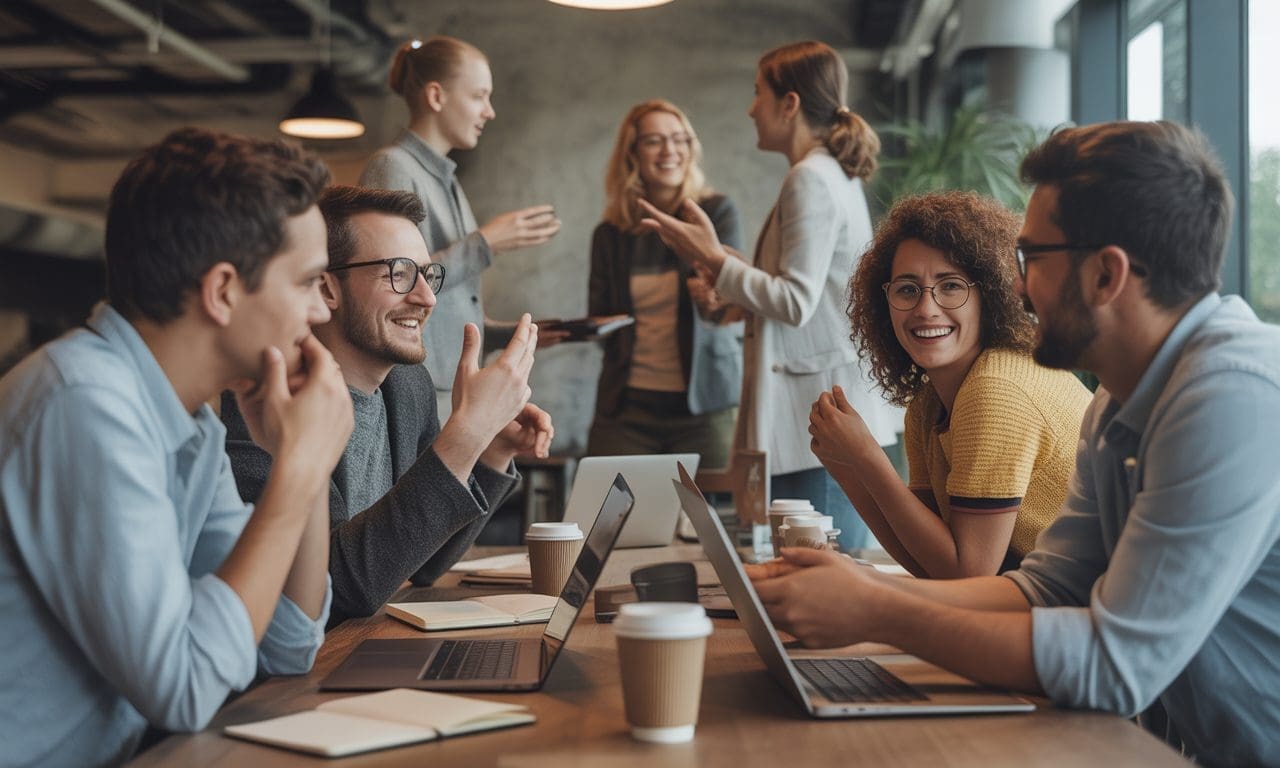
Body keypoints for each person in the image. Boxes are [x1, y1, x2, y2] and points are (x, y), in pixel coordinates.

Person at [748, 121, 1280, 765]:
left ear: (1106, 276)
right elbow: (1046, 588)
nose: (1018, 287)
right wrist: (857, 589)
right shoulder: (1120, 396)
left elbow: (1113, 665)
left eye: (1032, 260)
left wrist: (877, 613)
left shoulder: (1230, 396)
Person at [0, 128, 353, 766]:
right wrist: (297, 473)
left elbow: (287, 644)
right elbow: (184, 687)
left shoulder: (192, 420)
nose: (321, 312)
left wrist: (302, 462)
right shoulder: (86, 402)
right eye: (307, 282)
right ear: (222, 291)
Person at [221, 185, 553, 627]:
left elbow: (424, 562)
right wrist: (466, 432)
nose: (426, 297)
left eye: (427, 274)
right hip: (297, 677)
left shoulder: (406, 385)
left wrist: (491, 449)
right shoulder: (263, 404)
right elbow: (338, 588)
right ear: (326, 289)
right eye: (398, 273)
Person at [639, 41, 900, 550]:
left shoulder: (811, 179)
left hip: (812, 427)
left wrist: (715, 260)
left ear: (790, 103)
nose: (750, 108)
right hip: (815, 418)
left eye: (758, 93)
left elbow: (796, 302)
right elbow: (815, 295)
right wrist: (736, 274)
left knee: (821, 592)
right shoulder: (828, 174)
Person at [809, 192, 1091, 577]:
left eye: (951, 286)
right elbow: (928, 565)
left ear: (989, 296)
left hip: (1089, 618)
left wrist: (866, 457)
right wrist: (847, 468)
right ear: (884, 303)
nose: (926, 308)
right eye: (907, 289)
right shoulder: (928, 405)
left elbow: (968, 576)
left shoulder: (996, 389)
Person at [361, 35, 562, 422]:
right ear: (436, 96)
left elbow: (443, 300)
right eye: (479, 96)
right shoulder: (393, 167)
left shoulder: (446, 178)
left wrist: (503, 336)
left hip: (444, 380)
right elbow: (390, 281)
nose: (490, 111)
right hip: (415, 383)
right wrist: (484, 244)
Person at [586, 99, 743, 468]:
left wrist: (714, 295)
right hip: (627, 408)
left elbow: (731, 301)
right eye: (654, 141)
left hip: (706, 406)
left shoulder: (716, 212)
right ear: (633, 153)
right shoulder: (609, 234)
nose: (670, 150)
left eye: (680, 139)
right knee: (609, 520)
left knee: (712, 524)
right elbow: (600, 317)